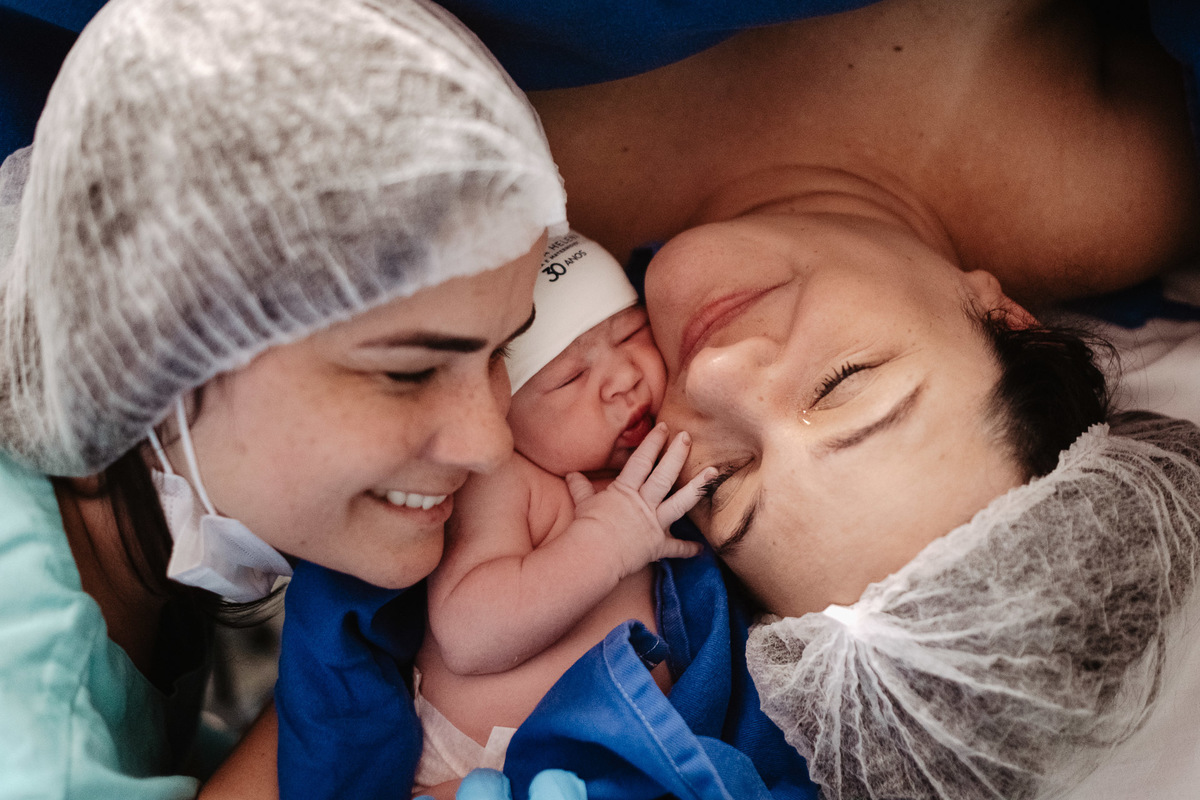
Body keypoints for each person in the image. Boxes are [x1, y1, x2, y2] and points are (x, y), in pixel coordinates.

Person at [0, 0, 585, 798]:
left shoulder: (125, 538)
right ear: (155, 340)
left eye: (501, 351)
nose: (490, 441)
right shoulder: (29, 736)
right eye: (409, 372)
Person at [412, 231, 709, 796]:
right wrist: (605, 542)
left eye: (632, 333)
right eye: (569, 377)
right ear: (502, 416)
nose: (623, 379)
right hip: (473, 765)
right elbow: (468, 635)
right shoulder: (507, 479)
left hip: (616, 765)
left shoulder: (652, 466)